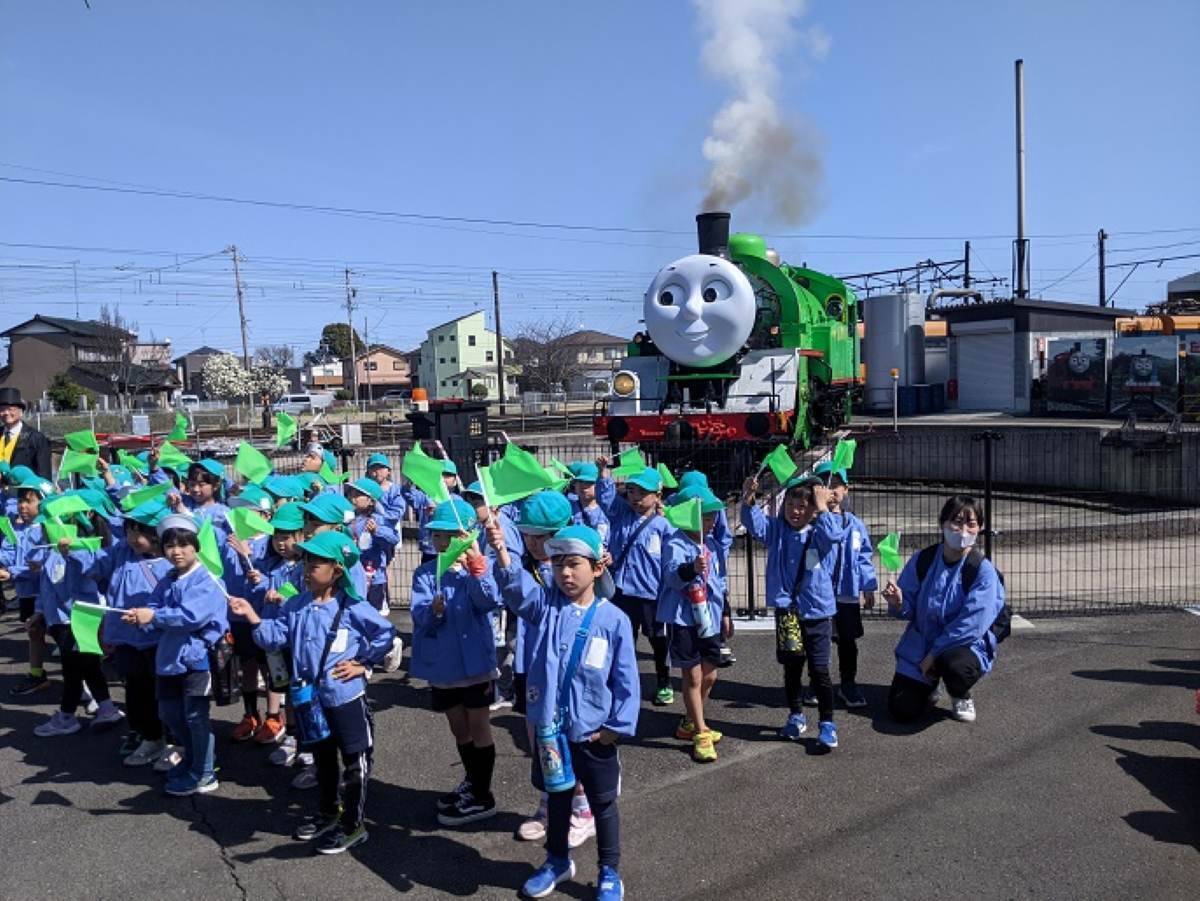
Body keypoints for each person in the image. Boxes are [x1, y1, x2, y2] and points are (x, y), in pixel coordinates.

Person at [487, 523, 637, 901]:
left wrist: (616, 727)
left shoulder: (614, 620)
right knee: (557, 798)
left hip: (595, 732)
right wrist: (502, 552)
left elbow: (626, 681)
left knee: (602, 803)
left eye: (574, 564)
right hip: (552, 731)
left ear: (597, 568)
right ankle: (556, 861)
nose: (565, 573)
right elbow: (518, 592)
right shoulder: (546, 607)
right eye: (558, 565)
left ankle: (609, 871)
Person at [230, 530, 396, 855]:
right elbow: (273, 637)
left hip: (345, 698)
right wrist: (251, 615)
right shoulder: (297, 605)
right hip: (310, 699)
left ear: (336, 570)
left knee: (355, 760)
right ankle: (328, 812)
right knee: (323, 759)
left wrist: (363, 663)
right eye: (305, 562)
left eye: (315, 564)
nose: (307, 570)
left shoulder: (352, 606)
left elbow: (385, 632)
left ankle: (354, 824)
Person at [510, 490, 596, 849]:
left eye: (540, 536)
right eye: (527, 535)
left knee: (572, 739)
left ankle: (583, 809)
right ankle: (548, 804)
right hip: (531, 666)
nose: (532, 543)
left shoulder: (570, 571)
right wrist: (498, 554)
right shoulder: (528, 565)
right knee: (540, 740)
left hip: (565, 670)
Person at [408, 496, 501, 826]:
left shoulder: (477, 569)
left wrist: (477, 569)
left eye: (451, 535)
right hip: (444, 666)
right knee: (459, 728)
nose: (442, 541)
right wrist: (433, 611)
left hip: (476, 666)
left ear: (468, 537)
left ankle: (483, 794)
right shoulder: (425, 573)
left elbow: (489, 601)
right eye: (437, 535)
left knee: (479, 726)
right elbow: (419, 616)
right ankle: (472, 781)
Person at [121, 513, 229, 796]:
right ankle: (194, 761)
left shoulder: (208, 579)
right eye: (170, 546)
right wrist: (141, 618)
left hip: (197, 659)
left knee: (195, 716)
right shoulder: (168, 578)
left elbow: (191, 617)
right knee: (170, 713)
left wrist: (153, 617)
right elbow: (154, 607)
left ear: (196, 546)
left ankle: (205, 772)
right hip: (169, 659)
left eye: (183, 545)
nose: (176, 551)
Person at [741, 473, 845, 751]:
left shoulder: (820, 530)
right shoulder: (777, 530)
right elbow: (755, 524)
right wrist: (749, 497)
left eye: (802, 506)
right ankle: (796, 715)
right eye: (789, 505)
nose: (795, 512)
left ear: (813, 508)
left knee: (820, 670)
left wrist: (823, 507)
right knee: (792, 666)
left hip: (818, 612)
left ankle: (827, 722)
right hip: (788, 611)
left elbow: (834, 535)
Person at [882, 495, 1006, 724]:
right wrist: (898, 603)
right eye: (957, 522)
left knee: (955, 666)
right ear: (943, 523)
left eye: (971, 524)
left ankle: (960, 693)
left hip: (963, 645)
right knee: (902, 709)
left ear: (980, 528)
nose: (963, 530)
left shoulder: (983, 571)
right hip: (921, 644)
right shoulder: (924, 559)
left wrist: (933, 655)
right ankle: (929, 686)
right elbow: (908, 609)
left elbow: (971, 625)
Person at [87, 498, 174, 765]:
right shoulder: (121, 552)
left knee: (167, 693)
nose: (134, 538)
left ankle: (174, 741)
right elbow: (95, 565)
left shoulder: (174, 560)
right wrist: (72, 551)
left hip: (161, 638)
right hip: (126, 637)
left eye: (141, 531)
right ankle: (148, 736)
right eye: (130, 530)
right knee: (136, 689)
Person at [659, 486, 731, 763]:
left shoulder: (711, 543)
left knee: (710, 674)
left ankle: (690, 719)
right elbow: (671, 577)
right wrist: (692, 568)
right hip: (684, 618)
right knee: (693, 676)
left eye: (713, 516)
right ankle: (700, 730)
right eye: (706, 516)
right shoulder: (674, 543)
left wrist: (725, 613)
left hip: (709, 616)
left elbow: (719, 582)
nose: (712, 521)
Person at [597, 463, 673, 706]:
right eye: (631, 491)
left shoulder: (664, 525)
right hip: (621, 590)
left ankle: (664, 681)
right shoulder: (621, 515)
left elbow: (670, 561)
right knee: (622, 639)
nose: (636, 497)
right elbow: (606, 499)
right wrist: (604, 475)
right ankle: (623, 683)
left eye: (643, 492)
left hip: (651, 593)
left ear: (657, 496)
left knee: (657, 640)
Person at [804, 462, 877, 709]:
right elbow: (809, 557)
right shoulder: (812, 523)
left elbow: (863, 556)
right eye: (826, 486)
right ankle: (816, 683)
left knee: (847, 641)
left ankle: (848, 683)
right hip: (820, 595)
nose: (831, 491)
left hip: (847, 593)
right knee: (818, 642)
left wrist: (868, 586)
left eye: (836, 485)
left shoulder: (854, 524)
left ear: (846, 489)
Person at [1, 473, 51, 696]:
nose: (22, 506)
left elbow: (40, 566)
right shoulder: (17, 528)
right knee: (34, 633)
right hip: (26, 592)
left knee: (64, 638)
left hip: (47, 593)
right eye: (20, 500)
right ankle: (36, 674)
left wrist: (12, 572)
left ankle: (85, 685)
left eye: (29, 501)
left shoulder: (48, 530)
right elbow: (8, 553)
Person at [403, 458, 460, 564]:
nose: (443, 479)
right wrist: (411, 480)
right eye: (439, 475)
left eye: (447, 475)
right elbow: (407, 493)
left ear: (455, 481)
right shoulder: (426, 498)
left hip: (451, 549)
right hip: (429, 549)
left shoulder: (458, 501)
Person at [0, 387, 52, 478]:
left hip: (25, 486)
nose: (6, 413)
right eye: (2, 409)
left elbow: (44, 473)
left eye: (11, 409)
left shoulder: (36, 438)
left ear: (21, 412)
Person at [567, 462, 610, 549]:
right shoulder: (568, 505)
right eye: (580, 481)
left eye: (589, 483)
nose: (583, 486)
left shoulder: (605, 512)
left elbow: (602, 543)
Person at [364, 453, 408, 529]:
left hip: (390, 531)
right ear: (368, 473)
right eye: (373, 468)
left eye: (381, 468)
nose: (377, 471)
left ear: (389, 471)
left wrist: (375, 518)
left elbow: (396, 513)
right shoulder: (365, 490)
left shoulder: (395, 490)